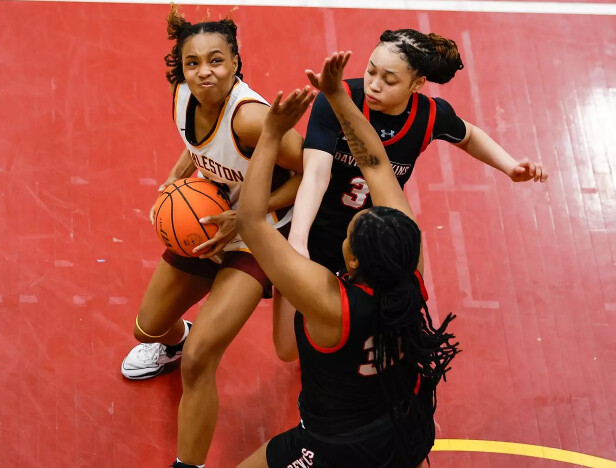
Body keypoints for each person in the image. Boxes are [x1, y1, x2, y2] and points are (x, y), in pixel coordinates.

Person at [236, 51, 460, 468]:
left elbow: (251, 222)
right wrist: (339, 98)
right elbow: (376, 165)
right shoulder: (411, 271)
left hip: (339, 448)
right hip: (407, 426)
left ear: (351, 262)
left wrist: (270, 136)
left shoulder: (329, 302)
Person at [272, 29, 548, 361]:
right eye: (371, 70)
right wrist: (298, 240)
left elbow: (469, 135)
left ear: (415, 85)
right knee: (288, 350)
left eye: (389, 80)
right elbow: (316, 174)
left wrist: (510, 167)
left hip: (377, 241)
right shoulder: (339, 97)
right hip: (317, 228)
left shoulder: (429, 115)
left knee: (371, 335)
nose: (374, 83)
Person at [119, 6, 304, 467]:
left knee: (201, 360)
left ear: (236, 62)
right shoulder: (181, 95)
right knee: (147, 326)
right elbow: (195, 145)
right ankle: (174, 341)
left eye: (216, 61)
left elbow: (312, 173)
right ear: (181, 69)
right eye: (193, 62)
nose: (205, 72)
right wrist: (174, 181)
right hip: (208, 219)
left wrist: (246, 218)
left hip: (260, 235)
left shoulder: (251, 120)